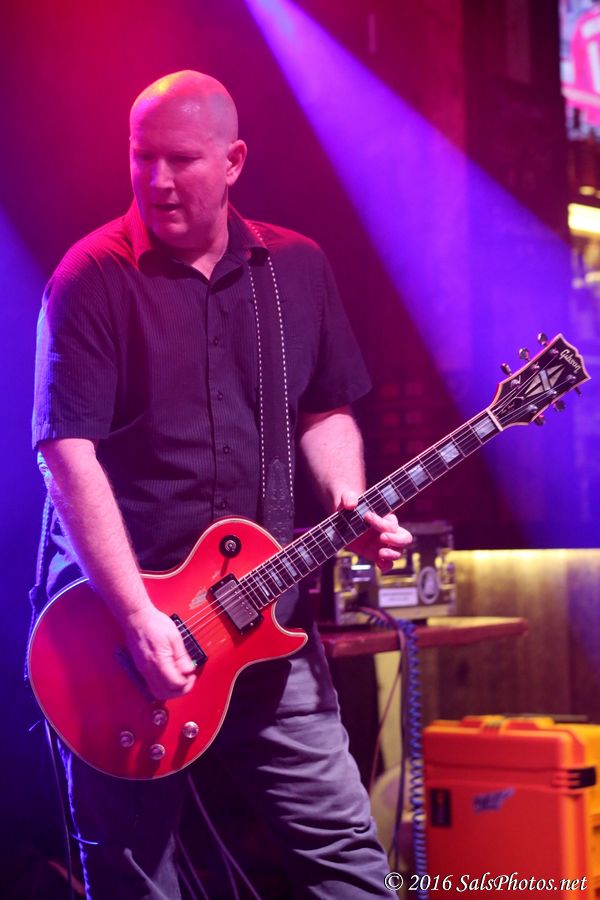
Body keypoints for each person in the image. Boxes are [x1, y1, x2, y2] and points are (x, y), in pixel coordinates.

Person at [31, 70, 412, 898]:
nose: (158, 180)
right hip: (118, 639)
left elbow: (326, 409)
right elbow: (65, 454)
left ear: (234, 160)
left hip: (262, 620)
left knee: (346, 858)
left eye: (182, 160)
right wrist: (138, 616)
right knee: (135, 877)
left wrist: (346, 494)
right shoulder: (91, 275)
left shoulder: (296, 268)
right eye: (142, 157)